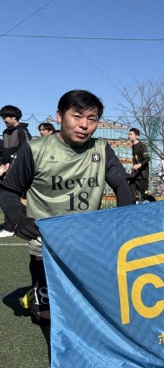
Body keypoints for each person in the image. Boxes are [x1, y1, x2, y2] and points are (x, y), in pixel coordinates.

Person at [0, 90, 134, 325]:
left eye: (92, 119)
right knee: (48, 318)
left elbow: (121, 184)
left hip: (88, 245)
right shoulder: (34, 149)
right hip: (46, 248)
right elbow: (9, 190)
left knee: (94, 314)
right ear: (59, 116)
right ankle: (37, 295)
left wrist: (126, 219)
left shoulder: (101, 149)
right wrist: (19, 221)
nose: (84, 125)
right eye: (77, 116)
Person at [0, 105, 32, 238]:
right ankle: (16, 224)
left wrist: (13, 163)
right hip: (6, 169)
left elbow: (28, 149)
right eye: (2, 117)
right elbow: (5, 152)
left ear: (14, 117)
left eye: (6, 117)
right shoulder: (5, 132)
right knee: (6, 196)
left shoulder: (22, 131)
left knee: (8, 195)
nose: (3, 120)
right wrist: (3, 164)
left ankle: (10, 227)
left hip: (18, 170)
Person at [128, 128, 156, 203]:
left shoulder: (142, 146)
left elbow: (147, 158)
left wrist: (139, 165)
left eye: (131, 134)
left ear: (137, 136)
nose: (129, 136)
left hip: (143, 175)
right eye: (129, 134)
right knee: (129, 193)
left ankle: (156, 203)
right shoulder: (133, 146)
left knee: (144, 195)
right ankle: (132, 208)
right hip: (135, 175)